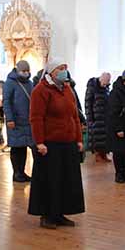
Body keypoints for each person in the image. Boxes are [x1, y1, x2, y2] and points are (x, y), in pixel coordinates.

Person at [28, 59, 85, 228]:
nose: (64, 71)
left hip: (68, 142)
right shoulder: (41, 90)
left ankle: (60, 213)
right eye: (61, 68)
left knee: (66, 180)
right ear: (51, 72)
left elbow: (75, 116)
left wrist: (79, 138)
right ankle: (47, 215)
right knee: (50, 180)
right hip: (50, 144)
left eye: (65, 68)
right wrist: (39, 142)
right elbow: (36, 118)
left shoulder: (67, 89)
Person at [3, 60, 34, 182]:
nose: (26, 73)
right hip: (15, 121)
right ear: (17, 70)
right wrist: (9, 118)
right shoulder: (10, 83)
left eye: (27, 71)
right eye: (23, 71)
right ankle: (16, 173)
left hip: (27, 120)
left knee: (24, 147)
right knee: (16, 148)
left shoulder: (30, 83)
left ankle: (22, 172)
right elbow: (6, 102)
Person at [85, 72, 111, 162]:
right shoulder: (92, 87)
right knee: (96, 137)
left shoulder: (107, 88)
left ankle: (104, 154)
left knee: (105, 137)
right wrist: (90, 118)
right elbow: (88, 103)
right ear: (101, 79)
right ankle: (97, 154)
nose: (106, 84)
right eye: (105, 82)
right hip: (95, 117)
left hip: (105, 116)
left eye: (107, 83)